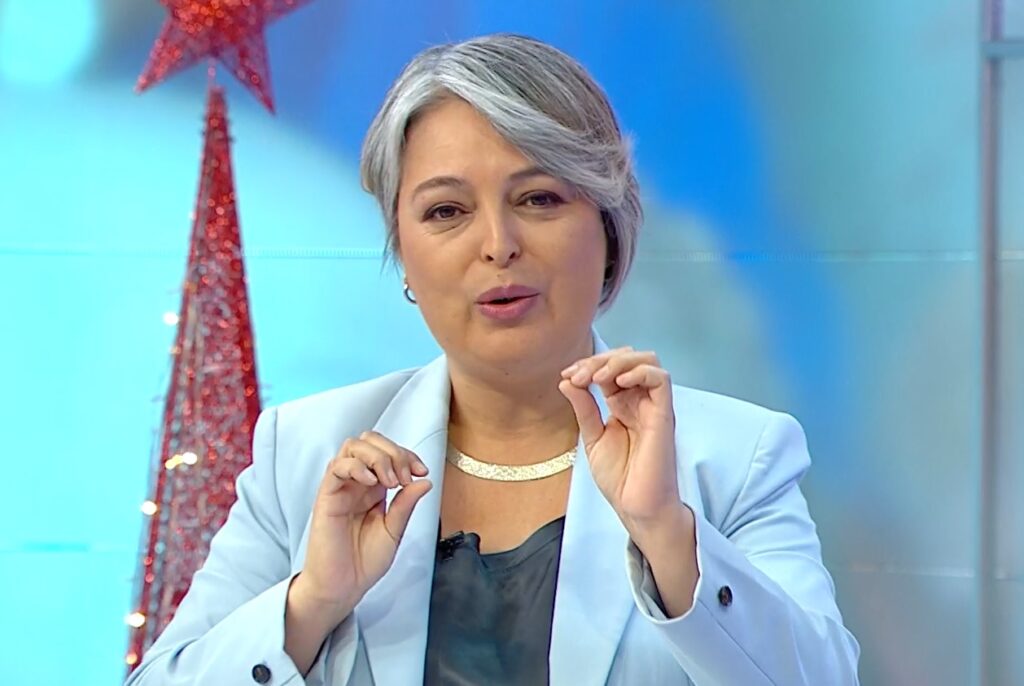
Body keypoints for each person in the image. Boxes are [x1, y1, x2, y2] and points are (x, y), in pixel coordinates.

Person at [125, 33, 860, 686]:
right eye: (446, 211)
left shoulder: (734, 457)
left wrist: (667, 534)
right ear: (404, 253)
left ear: (609, 229)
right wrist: (313, 600)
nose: (498, 245)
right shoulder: (306, 452)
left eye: (539, 199)